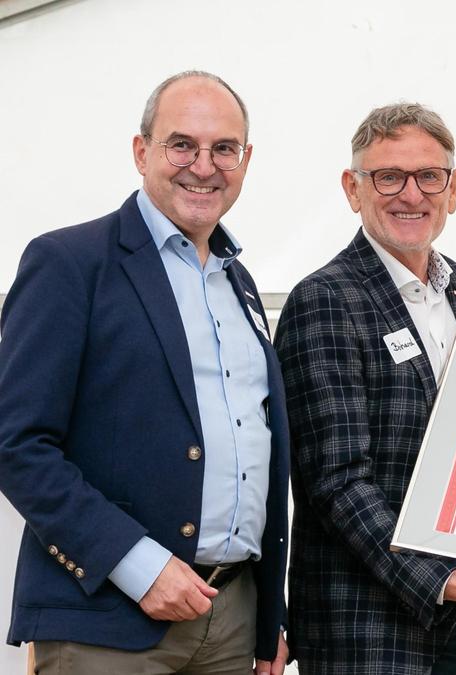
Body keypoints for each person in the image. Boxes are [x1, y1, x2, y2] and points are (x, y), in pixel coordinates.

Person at [0, 71, 289, 675]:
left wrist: (268, 620)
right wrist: (137, 564)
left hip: (233, 618)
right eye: (182, 144)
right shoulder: (70, 263)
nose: (203, 166)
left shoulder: (240, 283)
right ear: (141, 152)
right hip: (108, 619)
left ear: (247, 159)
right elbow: (16, 443)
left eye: (224, 149)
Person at [275, 102, 456, 675]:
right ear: (352, 189)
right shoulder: (326, 300)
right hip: (367, 625)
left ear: (453, 188)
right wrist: (444, 579)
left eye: (429, 176)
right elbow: (336, 481)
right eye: (388, 176)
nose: (412, 194)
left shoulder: (454, 286)